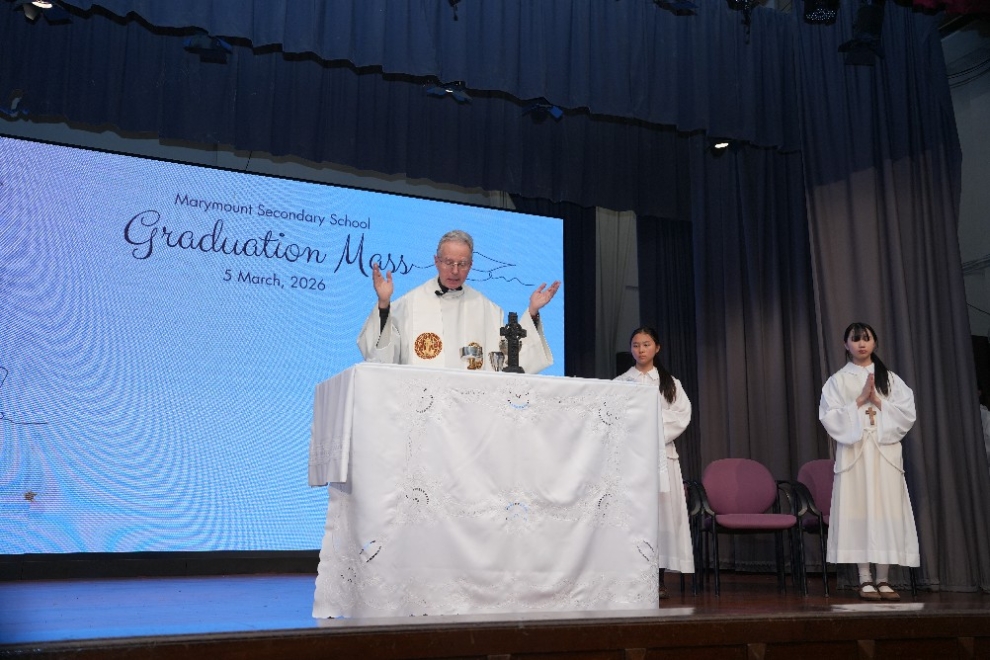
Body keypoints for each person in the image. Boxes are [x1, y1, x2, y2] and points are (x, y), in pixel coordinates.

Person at [357, 229, 560, 373]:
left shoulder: (486, 309)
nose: (455, 271)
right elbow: (381, 358)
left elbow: (510, 362)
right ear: (436, 261)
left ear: (471, 265)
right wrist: (383, 304)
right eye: (448, 262)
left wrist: (532, 312)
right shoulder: (408, 304)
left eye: (462, 264)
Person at [818, 322, 919, 601]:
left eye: (866, 338)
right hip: (856, 452)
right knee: (859, 510)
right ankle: (864, 578)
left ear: (874, 342)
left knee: (886, 511)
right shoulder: (838, 381)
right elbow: (829, 416)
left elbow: (907, 414)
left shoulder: (890, 379)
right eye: (855, 339)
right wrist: (860, 401)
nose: (861, 344)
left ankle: (884, 578)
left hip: (884, 452)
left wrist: (878, 401)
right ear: (845, 344)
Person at [614, 326, 693, 599]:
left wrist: (649, 427)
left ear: (656, 347)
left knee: (660, 517)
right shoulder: (621, 383)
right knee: (633, 516)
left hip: (662, 456)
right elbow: (615, 419)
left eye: (646, 344)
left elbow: (681, 416)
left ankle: (658, 579)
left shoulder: (670, 384)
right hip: (632, 459)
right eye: (636, 345)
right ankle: (631, 577)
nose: (641, 350)